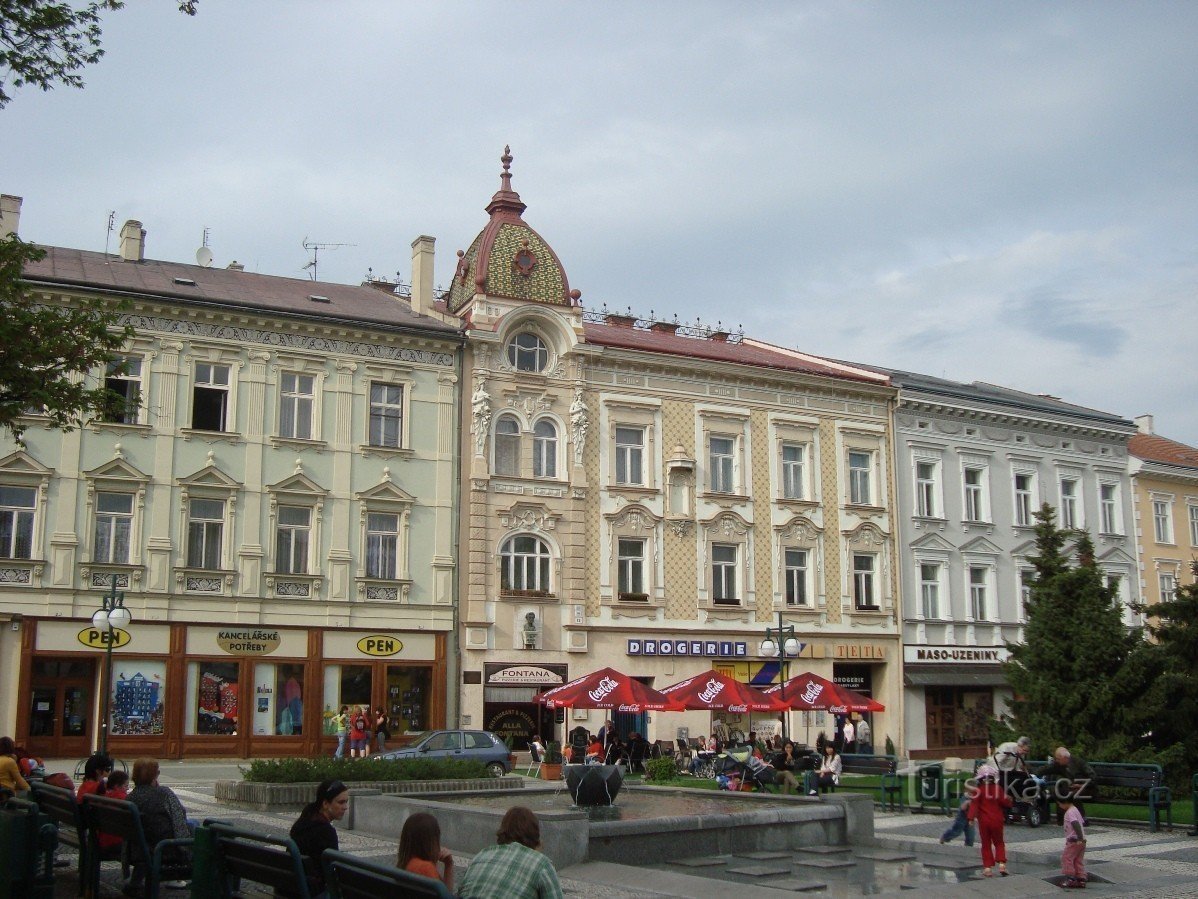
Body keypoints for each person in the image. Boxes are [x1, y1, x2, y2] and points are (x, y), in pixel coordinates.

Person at [457, 806, 562, 899]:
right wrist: (537, 853)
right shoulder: (541, 864)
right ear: (535, 834)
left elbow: (461, 892)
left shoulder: (480, 855)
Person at [126, 758, 193, 896]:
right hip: (164, 849)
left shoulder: (131, 798)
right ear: (154, 775)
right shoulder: (163, 793)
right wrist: (187, 849)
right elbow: (179, 820)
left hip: (137, 850)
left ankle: (135, 881)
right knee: (196, 828)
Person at [286, 779, 349, 899]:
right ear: (325, 804)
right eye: (341, 802)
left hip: (289, 889)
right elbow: (332, 872)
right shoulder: (325, 832)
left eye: (346, 802)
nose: (345, 807)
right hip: (311, 892)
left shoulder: (304, 820)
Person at [967, 764, 1012, 877]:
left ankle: (987, 868)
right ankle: (1002, 865)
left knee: (986, 844)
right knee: (999, 842)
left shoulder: (978, 790)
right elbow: (1005, 802)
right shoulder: (998, 789)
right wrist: (1010, 801)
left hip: (984, 821)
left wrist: (970, 818)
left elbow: (974, 805)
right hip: (997, 820)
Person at [397, 812, 455, 893]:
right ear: (431, 841)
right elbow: (446, 895)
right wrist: (449, 864)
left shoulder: (405, 865)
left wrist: (449, 865)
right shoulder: (424, 868)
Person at [1039, 746, 1096, 825]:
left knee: (1073, 794)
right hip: (1071, 788)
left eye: (1058, 759)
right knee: (1058, 791)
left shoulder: (1079, 762)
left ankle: (1081, 819)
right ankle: (1062, 820)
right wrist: (1031, 772)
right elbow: (1047, 769)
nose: (1056, 761)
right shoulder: (1060, 764)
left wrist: (1080, 785)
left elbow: (1093, 777)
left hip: (1087, 788)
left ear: (1065, 758)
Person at [1059, 793, 1088, 889]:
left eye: (1060, 804)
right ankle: (1081, 878)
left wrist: (1079, 837)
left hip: (1074, 840)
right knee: (1078, 860)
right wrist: (1082, 838)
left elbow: (1075, 824)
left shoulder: (1069, 812)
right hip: (1082, 841)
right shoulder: (1075, 809)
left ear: (1065, 802)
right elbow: (1082, 822)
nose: (1059, 806)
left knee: (1066, 858)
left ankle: (1070, 878)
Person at [939, 780, 977, 847]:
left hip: (970, 819)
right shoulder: (965, 798)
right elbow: (962, 808)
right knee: (956, 831)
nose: (972, 794)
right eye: (970, 792)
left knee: (971, 834)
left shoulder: (976, 798)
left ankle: (969, 845)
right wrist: (968, 802)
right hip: (961, 818)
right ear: (966, 790)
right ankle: (945, 837)